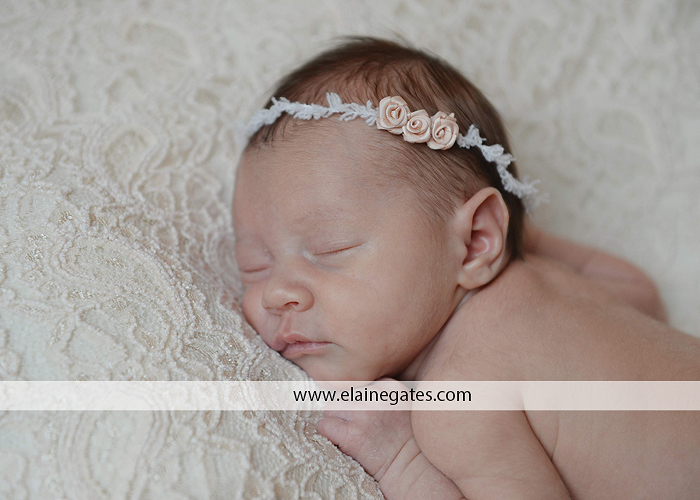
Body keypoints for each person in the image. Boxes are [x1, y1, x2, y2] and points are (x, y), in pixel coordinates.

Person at [232, 37, 700, 499]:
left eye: (331, 248)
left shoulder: (458, 400)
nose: (276, 292)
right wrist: (526, 239)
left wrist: (402, 461)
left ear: (476, 240)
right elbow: (641, 295)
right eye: (255, 264)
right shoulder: (559, 281)